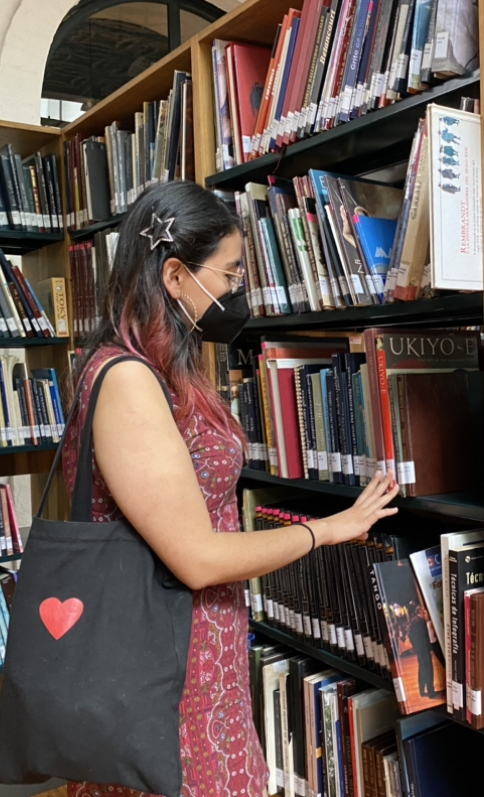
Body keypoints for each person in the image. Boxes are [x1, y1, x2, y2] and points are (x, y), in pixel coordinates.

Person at [63, 181, 399, 797]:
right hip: (165, 666)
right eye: (229, 272)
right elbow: (198, 558)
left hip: (200, 652)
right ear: (173, 276)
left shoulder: (167, 368)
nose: (234, 290)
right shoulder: (129, 383)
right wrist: (324, 530)